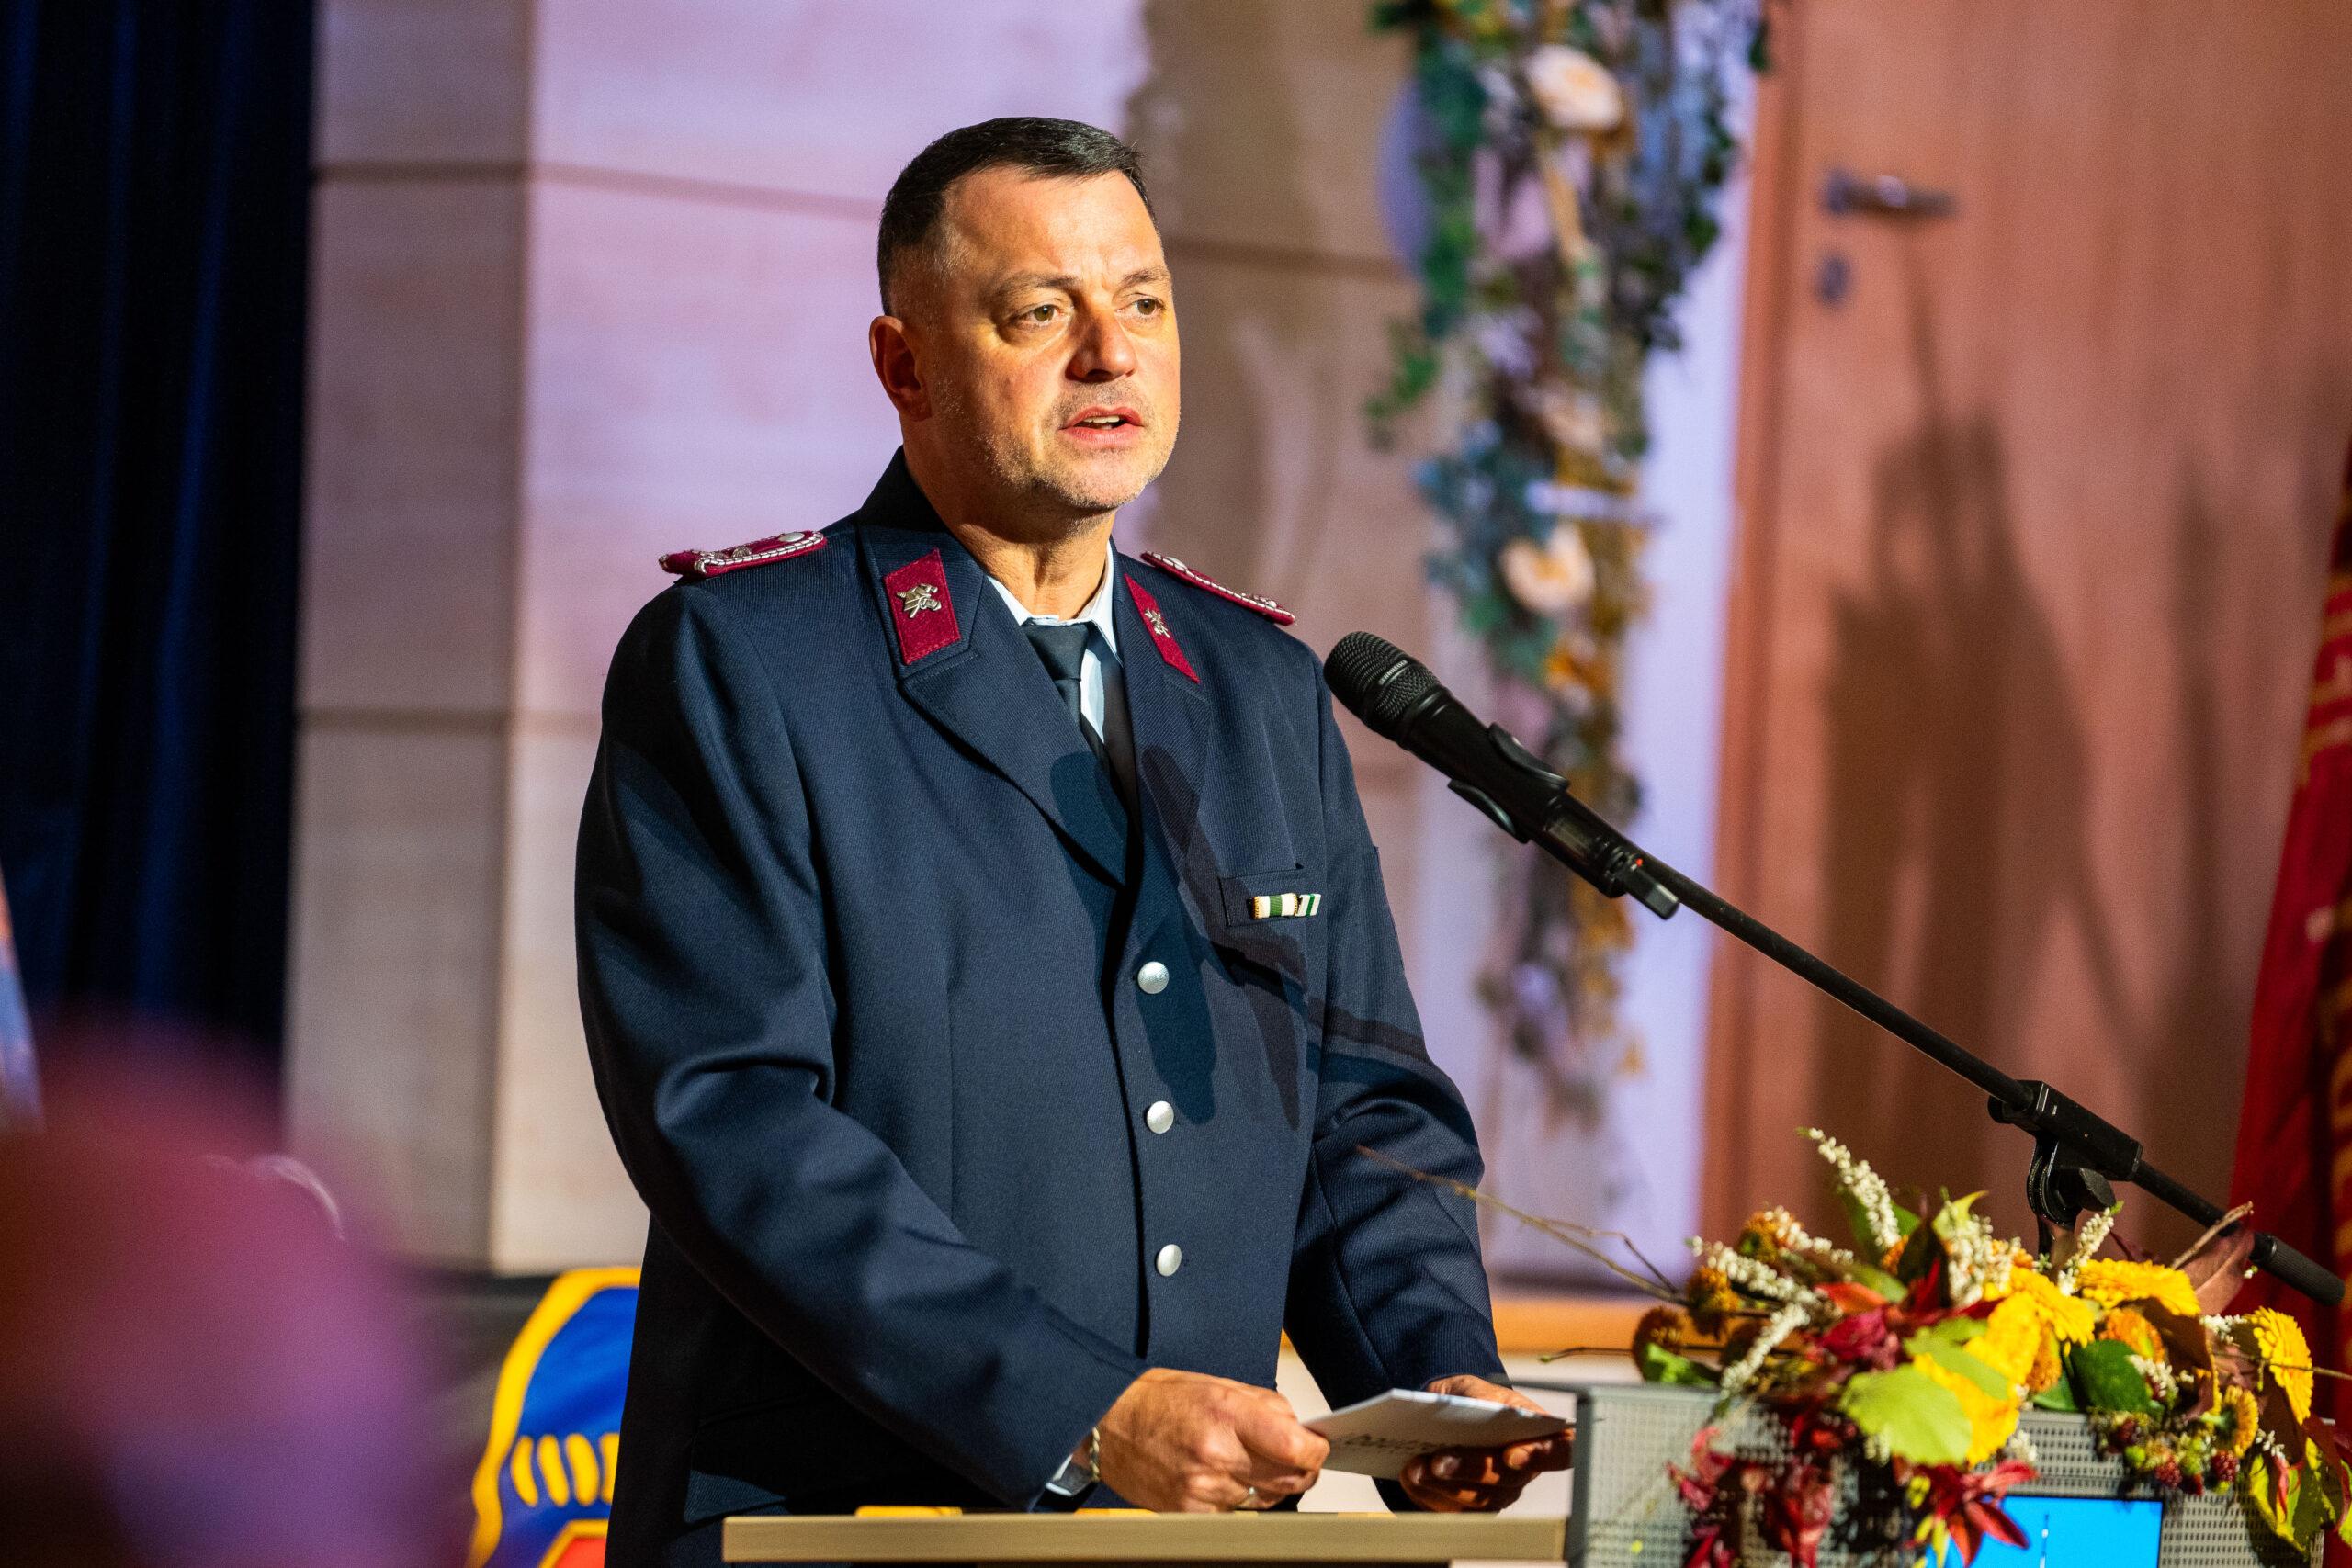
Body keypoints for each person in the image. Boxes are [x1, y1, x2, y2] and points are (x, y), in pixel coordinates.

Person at [575, 117, 1570, 1567]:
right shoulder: (748, 662)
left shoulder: (1254, 685)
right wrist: (1081, 1411)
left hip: (1201, 1541)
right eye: (1042, 313)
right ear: (904, 365)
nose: (1112, 354)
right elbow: (736, 1126)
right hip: (851, 1528)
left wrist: (1437, 1386)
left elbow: (1358, 1106)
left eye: (1144, 303)